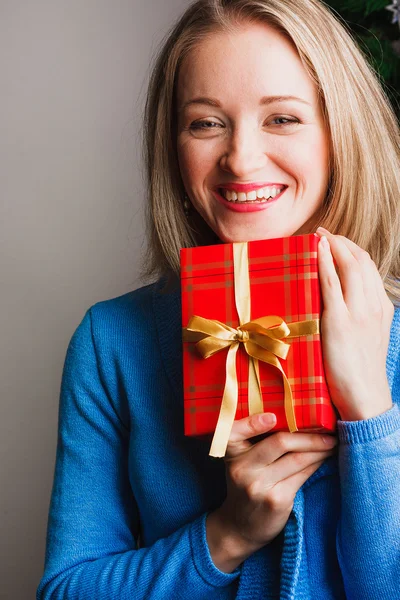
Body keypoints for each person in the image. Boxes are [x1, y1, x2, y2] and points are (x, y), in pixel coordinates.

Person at [37, 0, 400, 598]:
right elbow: (64, 590)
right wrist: (226, 536)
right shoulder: (111, 341)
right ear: (173, 145)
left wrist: (370, 418)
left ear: (341, 133)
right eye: (206, 123)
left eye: (282, 118)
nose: (241, 159)